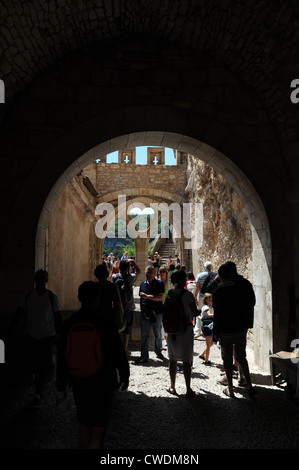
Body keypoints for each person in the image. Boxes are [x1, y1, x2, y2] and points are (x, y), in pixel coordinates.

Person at [56, 281, 129, 449]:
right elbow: (118, 352)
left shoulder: (70, 323)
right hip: (102, 379)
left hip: (78, 379)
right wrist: (124, 375)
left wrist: (61, 383)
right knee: (98, 428)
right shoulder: (105, 322)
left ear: (79, 298)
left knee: (83, 422)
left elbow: (62, 355)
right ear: (97, 298)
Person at [13, 269, 61, 407]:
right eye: (38, 278)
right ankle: (38, 388)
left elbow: (58, 318)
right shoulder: (28, 295)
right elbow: (19, 312)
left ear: (46, 280)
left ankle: (38, 392)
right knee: (34, 364)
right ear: (35, 279)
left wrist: (59, 334)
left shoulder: (52, 297)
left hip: (47, 337)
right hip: (32, 335)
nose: (40, 281)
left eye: (42, 278)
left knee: (41, 366)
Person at [213, 263, 256, 398]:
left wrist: (216, 333)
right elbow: (250, 304)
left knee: (227, 360)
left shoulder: (218, 292)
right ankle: (249, 385)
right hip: (239, 328)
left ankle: (230, 389)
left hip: (225, 330)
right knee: (242, 357)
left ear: (220, 276)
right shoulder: (241, 288)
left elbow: (217, 314)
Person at [165, 270, 198, 398]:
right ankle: (188, 389)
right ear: (184, 281)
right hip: (185, 330)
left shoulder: (169, 293)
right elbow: (194, 312)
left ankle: (172, 387)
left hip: (172, 330)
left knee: (172, 359)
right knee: (186, 360)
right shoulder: (188, 295)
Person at [136, 266, 165, 364]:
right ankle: (144, 355)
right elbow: (141, 298)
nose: (148, 275)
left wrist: (147, 297)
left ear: (154, 273)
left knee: (157, 334)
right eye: (146, 272)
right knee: (144, 335)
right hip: (145, 313)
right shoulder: (142, 284)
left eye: (150, 273)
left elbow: (160, 298)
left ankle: (158, 351)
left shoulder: (160, 283)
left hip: (157, 313)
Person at [112, 259, 141, 355]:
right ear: (128, 268)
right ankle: (124, 349)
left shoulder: (115, 277)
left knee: (116, 327)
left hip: (117, 306)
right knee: (127, 329)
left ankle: (115, 348)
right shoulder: (130, 277)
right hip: (128, 306)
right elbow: (139, 272)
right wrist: (133, 262)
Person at [94, 264, 124, 333]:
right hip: (110, 315)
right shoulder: (113, 286)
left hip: (97, 316)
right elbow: (118, 303)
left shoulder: (94, 286)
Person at [198, 293, 214, 365]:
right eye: (210, 300)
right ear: (206, 300)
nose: (211, 301)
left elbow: (200, 317)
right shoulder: (206, 307)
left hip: (206, 326)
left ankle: (202, 355)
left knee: (212, 342)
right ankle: (206, 361)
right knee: (208, 344)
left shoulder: (204, 307)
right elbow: (209, 315)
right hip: (207, 327)